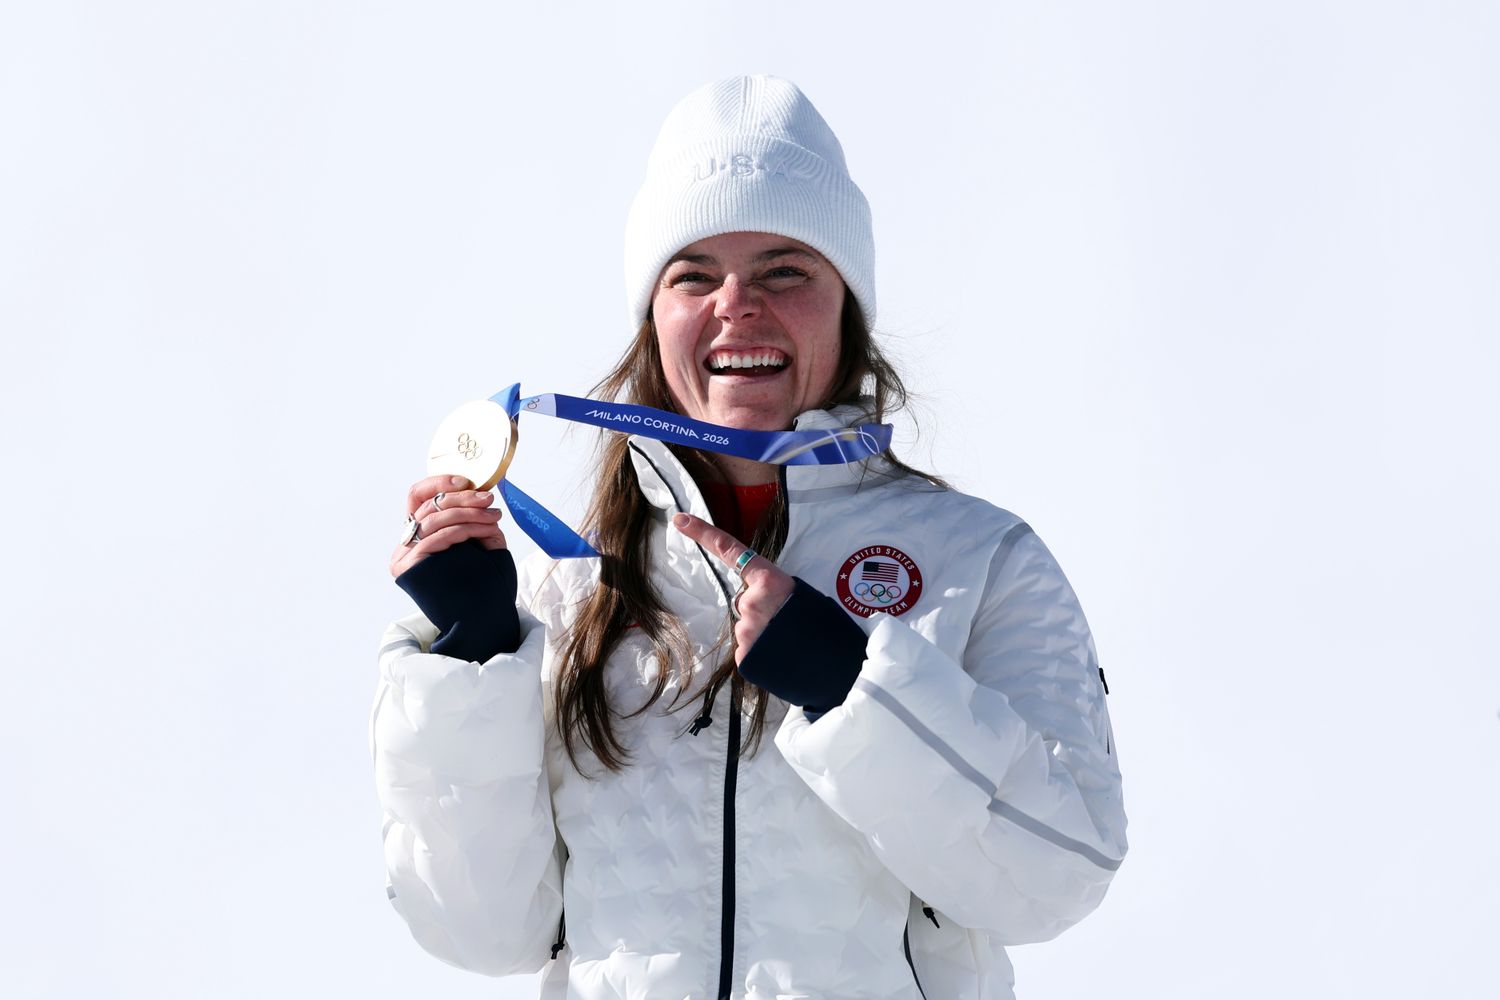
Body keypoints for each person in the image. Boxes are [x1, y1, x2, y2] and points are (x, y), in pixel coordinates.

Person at [373, 75, 1126, 1000]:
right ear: (654, 320)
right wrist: (470, 653)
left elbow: (1062, 873)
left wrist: (854, 690)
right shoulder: (563, 590)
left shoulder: (982, 562)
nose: (737, 303)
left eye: (784, 270)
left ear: (846, 307)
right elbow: (481, 931)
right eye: (693, 274)